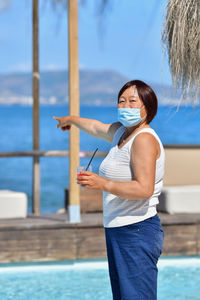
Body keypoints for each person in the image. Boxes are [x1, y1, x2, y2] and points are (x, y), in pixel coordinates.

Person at [53, 79, 165, 300]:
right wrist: (71, 120)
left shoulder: (143, 139)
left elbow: (144, 189)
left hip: (137, 229)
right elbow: (95, 127)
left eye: (133, 101)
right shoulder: (122, 133)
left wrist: (101, 183)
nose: (125, 106)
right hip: (119, 229)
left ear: (148, 107)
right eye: (121, 101)